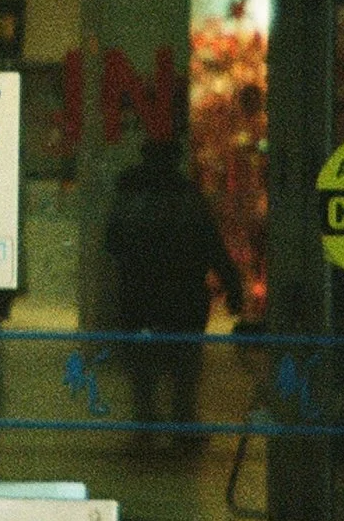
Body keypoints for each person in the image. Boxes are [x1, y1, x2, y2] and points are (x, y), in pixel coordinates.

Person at [102, 134, 241, 437]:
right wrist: (232, 284)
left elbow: (111, 244)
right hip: (183, 295)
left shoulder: (128, 195)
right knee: (184, 370)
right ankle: (183, 426)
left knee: (142, 370)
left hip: (138, 294)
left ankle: (146, 424)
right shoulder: (188, 196)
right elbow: (211, 244)